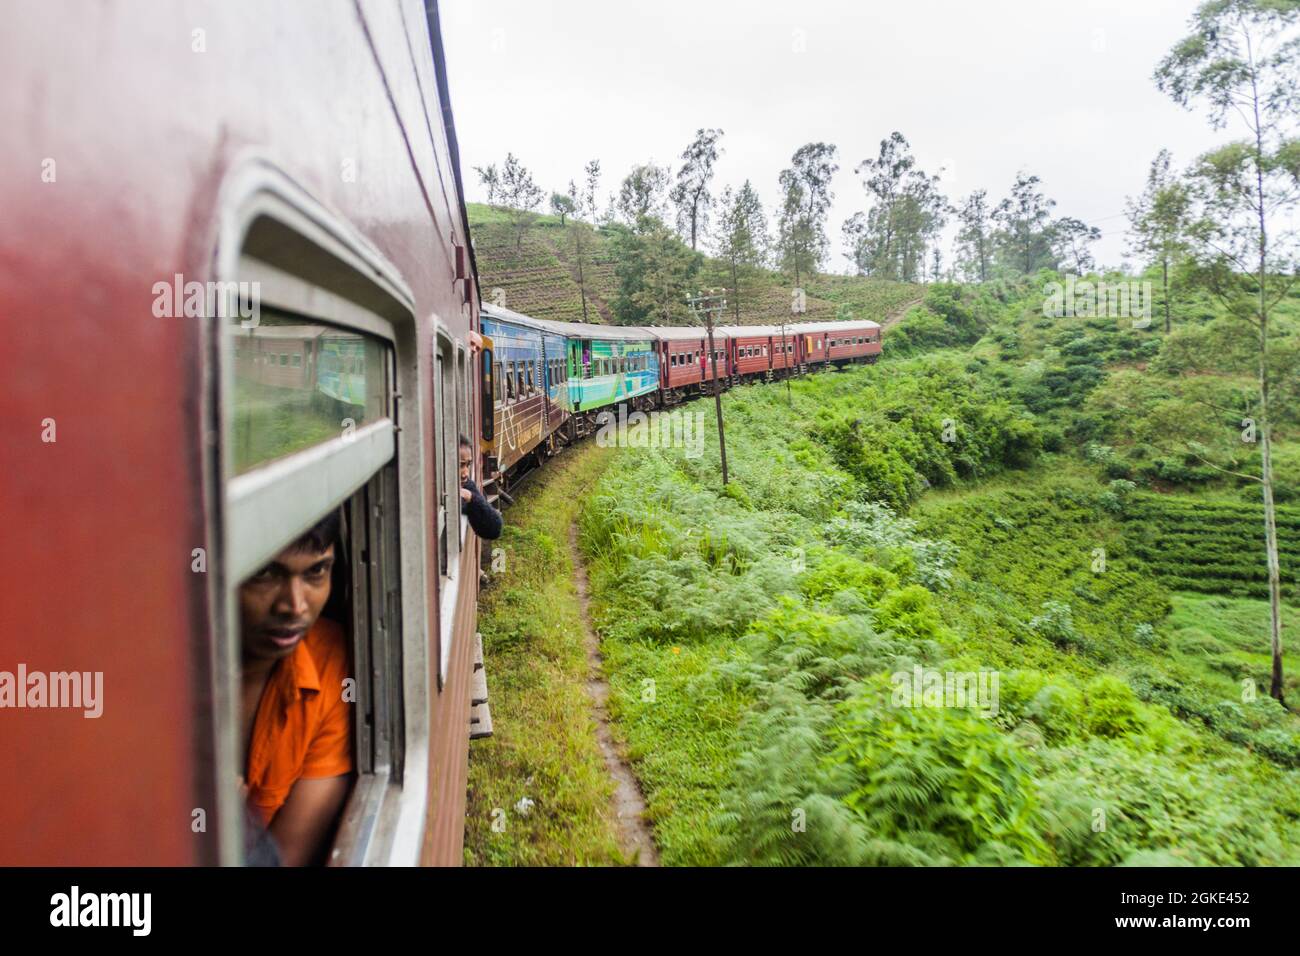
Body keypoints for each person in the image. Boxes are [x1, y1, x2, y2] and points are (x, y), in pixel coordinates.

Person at [238, 511, 353, 866]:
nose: (295, 606)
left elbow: (287, 857)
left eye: (316, 572)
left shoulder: (330, 664)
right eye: (264, 573)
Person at [459, 435, 503, 540]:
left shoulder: (467, 485)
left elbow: (494, 529)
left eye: (468, 465)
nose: (466, 473)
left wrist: (472, 498)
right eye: (461, 465)